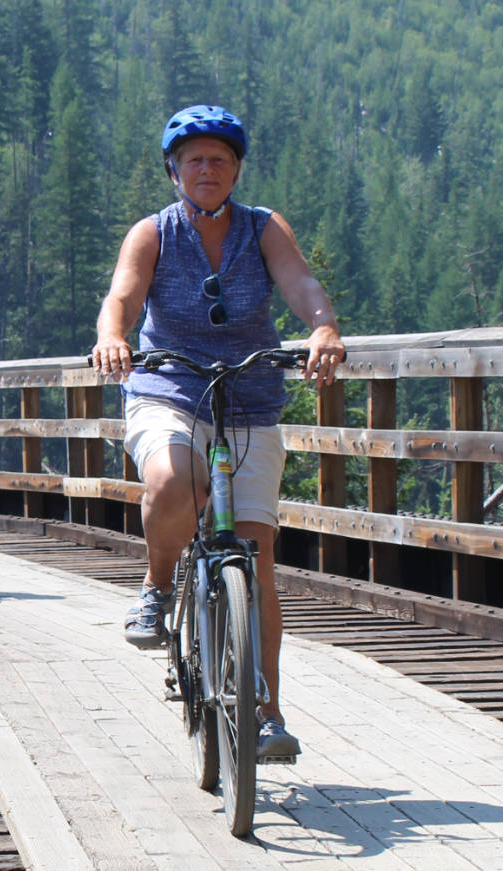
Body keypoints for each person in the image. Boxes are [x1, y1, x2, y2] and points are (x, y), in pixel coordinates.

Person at [91, 104, 345, 760]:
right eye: (195, 160)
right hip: (166, 387)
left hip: (249, 399)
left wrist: (322, 328)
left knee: (255, 561)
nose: (208, 170)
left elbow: (302, 285)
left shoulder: (263, 230)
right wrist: (113, 338)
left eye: (220, 160)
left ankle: (267, 715)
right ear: (174, 170)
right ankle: (156, 584)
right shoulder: (153, 233)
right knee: (176, 480)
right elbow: (122, 295)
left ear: (236, 170)